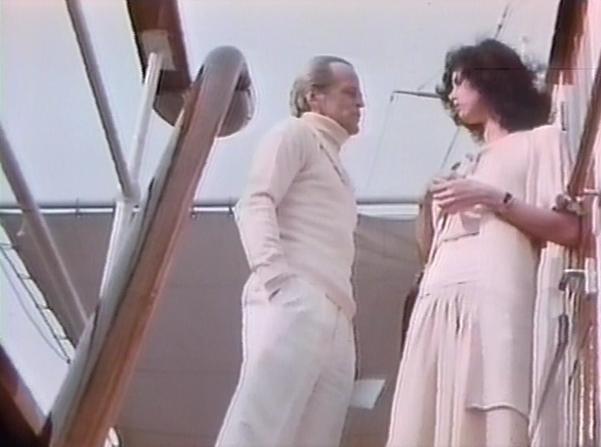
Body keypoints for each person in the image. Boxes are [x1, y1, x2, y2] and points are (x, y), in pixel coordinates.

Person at [386, 39, 580, 447]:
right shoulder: (464, 165)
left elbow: (569, 229)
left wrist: (494, 198)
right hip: (437, 298)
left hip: (492, 293)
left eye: (461, 82)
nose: (452, 94)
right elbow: (430, 249)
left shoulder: (540, 141)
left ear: (491, 80)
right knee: (424, 413)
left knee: (488, 407)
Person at [215, 55, 365, 447]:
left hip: (336, 312)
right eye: (349, 93)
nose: (360, 103)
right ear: (315, 97)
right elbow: (256, 202)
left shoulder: (339, 169)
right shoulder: (293, 134)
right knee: (258, 427)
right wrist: (278, 279)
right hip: (296, 296)